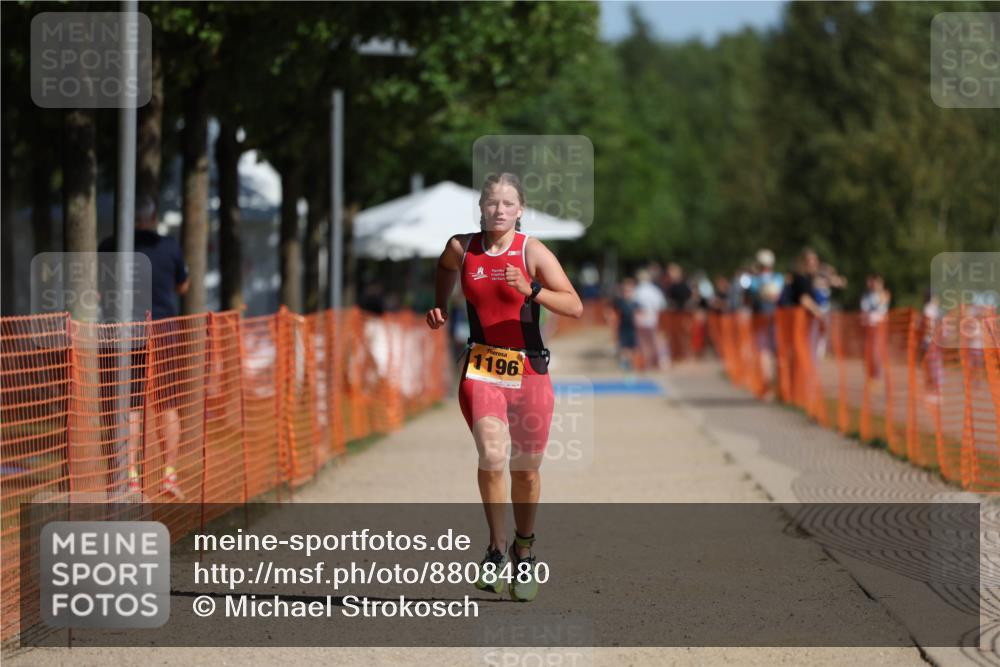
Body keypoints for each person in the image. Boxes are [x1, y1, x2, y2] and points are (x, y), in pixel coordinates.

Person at [425, 172, 583, 602]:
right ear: (480, 207)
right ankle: (496, 547)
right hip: (481, 367)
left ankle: (524, 548)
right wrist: (440, 304)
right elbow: (444, 265)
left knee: (526, 471)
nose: (499, 210)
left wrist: (533, 290)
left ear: (520, 210)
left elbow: (574, 304)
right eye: (492, 202)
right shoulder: (463, 247)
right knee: (492, 455)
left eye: (508, 203)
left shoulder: (531, 251)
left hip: (529, 371)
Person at [98, 195, 189, 499]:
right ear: (153, 217)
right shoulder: (170, 247)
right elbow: (183, 286)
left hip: (125, 332)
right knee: (168, 404)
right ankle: (169, 476)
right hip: (163, 331)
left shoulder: (109, 246)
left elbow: (98, 290)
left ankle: (132, 478)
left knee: (131, 406)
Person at [633, 268, 668, 370]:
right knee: (656, 340)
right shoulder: (654, 290)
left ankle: (647, 363)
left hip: (640, 319)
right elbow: (662, 304)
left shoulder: (638, 290)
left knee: (644, 343)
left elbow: (634, 305)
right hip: (653, 318)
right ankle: (662, 361)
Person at [610, 277, 639, 373]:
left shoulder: (635, 303)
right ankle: (625, 362)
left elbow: (639, 313)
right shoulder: (620, 302)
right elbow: (611, 309)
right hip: (623, 326)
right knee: (623, 345)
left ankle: (629, 362)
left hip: (632, 327)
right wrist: (612, 319)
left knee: (631, 346)